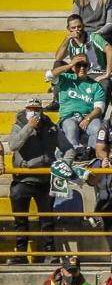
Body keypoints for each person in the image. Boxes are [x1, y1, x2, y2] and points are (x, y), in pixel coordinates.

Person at [8, 97, 57, 264]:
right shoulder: (18, 125)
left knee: (47, 220)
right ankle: (21, 253)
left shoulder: (51, 127)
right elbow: (13, 145)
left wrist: (65, 162)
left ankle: (49, 253)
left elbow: (67, 148)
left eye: (36, 109)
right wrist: (29, 127)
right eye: (30, 109)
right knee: (20, 220)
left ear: (41, 110)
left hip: (44, 180)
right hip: (22, 180)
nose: (33, 112)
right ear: (25, 110)